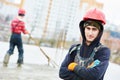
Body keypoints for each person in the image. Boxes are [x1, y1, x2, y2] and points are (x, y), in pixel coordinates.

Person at [59, 8, 110, 80]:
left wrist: (74, 67)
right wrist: (85, 75)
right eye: (88, 28)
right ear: (83, 29)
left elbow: (94, 75)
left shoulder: (103, 52)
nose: (90, 33)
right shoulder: (74, 49)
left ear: (99, 32)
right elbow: (62, 72)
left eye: (94, 29)